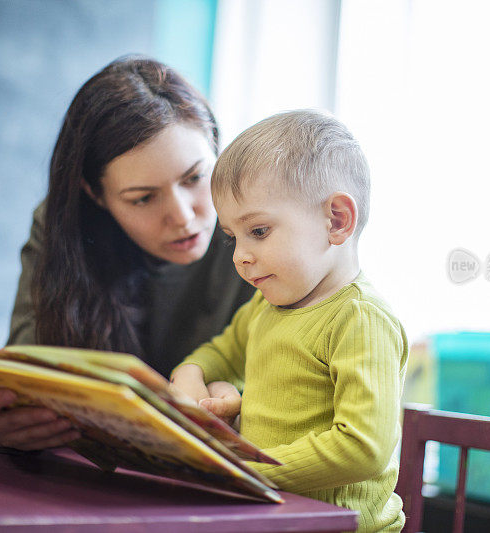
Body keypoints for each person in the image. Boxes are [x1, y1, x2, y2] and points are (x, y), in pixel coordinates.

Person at [0, 55, 255, 449]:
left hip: (226, 437)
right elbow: (32, 362)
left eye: (195, 177)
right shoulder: (64, 228)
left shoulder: (261, 221)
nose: (182, 217)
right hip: (97, 441)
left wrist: (234, 395)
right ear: (95, 195)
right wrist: (7, 414)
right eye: (143, 198)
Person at [170, 110, 408, 532]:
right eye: (232, 237)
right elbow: (216, 355)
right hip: (273, 515)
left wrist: (249, 470)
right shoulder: (264, 308)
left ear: (336, 220)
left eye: (258, 231)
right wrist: (189, 376)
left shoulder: (360, 319)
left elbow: (363, 447)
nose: (239, 256)